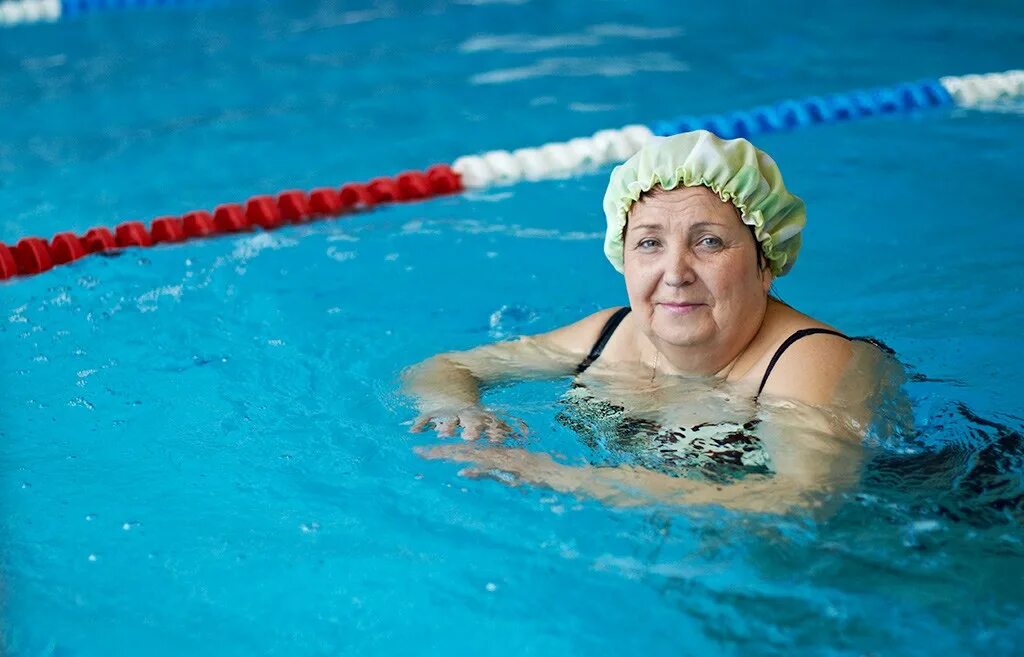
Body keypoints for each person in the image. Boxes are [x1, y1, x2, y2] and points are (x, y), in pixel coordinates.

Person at [402, 130, 899, 513]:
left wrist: (559, 475)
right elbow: (446, 367)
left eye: (708, 242)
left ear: (764, 263)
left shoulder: (810, 359)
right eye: (649, 243)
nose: (675, 274)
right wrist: (458, 408)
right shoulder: (610, 334)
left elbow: (800, 503)